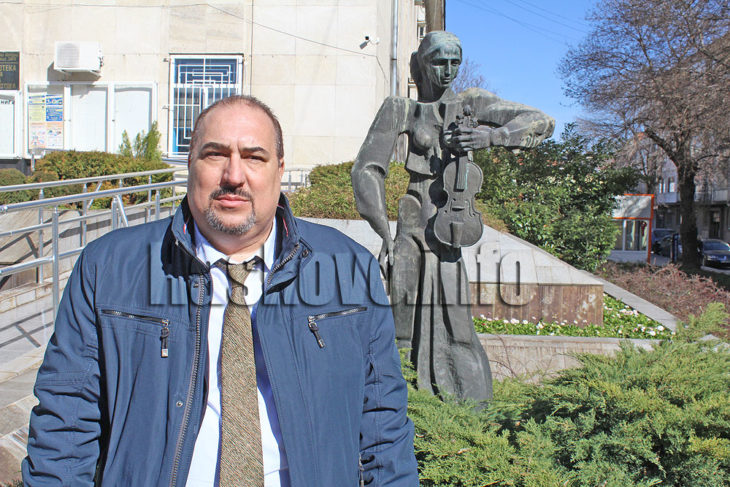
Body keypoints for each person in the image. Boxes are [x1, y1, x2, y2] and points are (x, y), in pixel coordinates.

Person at [22, 95, 418, 486]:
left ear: (280, 169)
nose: (233, 175)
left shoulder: (348, 270)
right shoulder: (108, 268)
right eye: (215, 154)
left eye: (254, 157)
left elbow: (383, 426)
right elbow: (65, 427)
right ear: (190, 164)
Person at [352, 31, 554, 402]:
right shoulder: (400, 108)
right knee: (400, 314)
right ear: (420, 64)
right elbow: (367, 169)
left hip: (450, 228)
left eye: (454, 62)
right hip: (411, 222)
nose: (447, 71)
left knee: (456, 321)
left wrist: (491, 138)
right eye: (438, 62)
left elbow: (541, 121)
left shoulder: (471, 104)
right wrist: (384, 234)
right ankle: (398, 401)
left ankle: (463, 402)